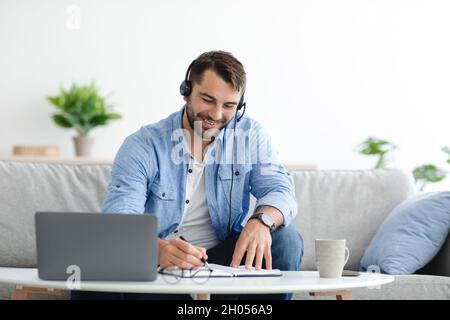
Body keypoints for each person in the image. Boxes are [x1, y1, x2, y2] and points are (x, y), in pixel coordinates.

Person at [71, 50, 303, 300]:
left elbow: (280, 190)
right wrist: (154, 249)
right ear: (186, 92)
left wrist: (261, 222)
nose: (216, 114)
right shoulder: (144, 145)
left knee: (286, 240)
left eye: (228, 106)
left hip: (223, 265)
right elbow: (119, 217)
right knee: (96, 255)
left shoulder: (251, 137)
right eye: (207, 99)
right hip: (159, 267)